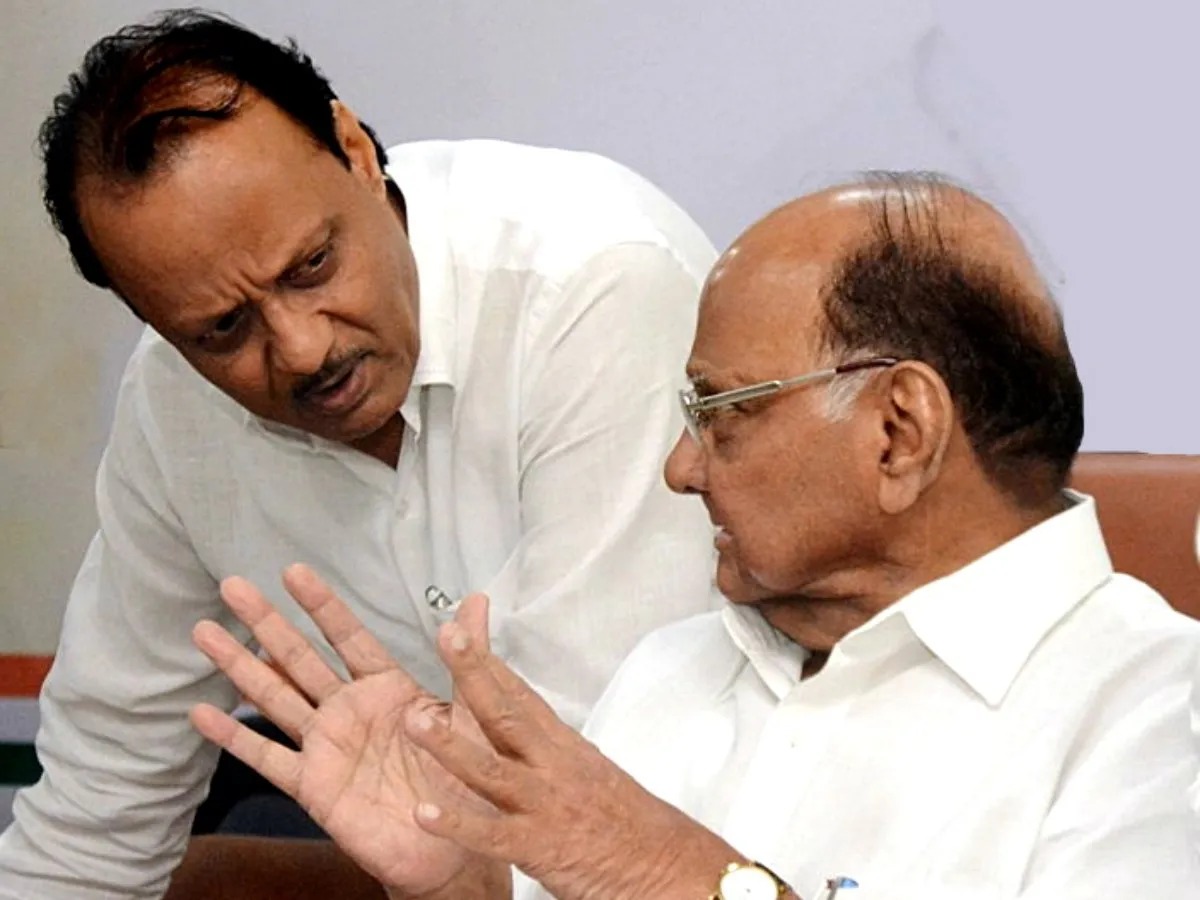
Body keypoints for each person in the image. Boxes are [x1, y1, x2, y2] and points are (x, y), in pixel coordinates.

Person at [188, 174, 1200, 899]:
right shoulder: (672, 668)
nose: (680, 468)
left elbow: (644, 873)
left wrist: (676, 877)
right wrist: (470, 879)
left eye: (724, 412)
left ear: (899, 432)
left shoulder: (1156, 716)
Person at [0, 9, 722, 898]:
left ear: (355, 150)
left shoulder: (593, 285)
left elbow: (612, 785)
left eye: (311, 266)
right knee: (209, 879)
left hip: (693, 847)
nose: (304, 349)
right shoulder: (173, 399)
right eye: (224, 329)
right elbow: (93, 819)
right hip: (440, 848)